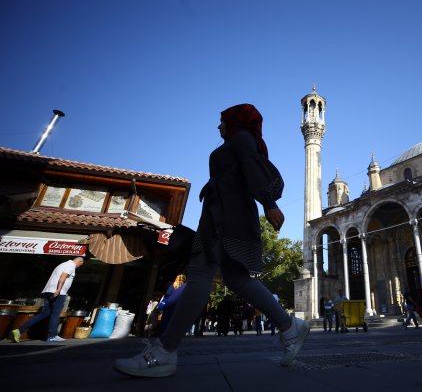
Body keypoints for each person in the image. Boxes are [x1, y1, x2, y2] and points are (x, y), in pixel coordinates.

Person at [114, 103, 310, 377]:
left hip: (224, 218)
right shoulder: (238, 141)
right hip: (224, 214)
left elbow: (251, 166)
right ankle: (289, 325)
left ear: (235, 121)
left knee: (199, 275)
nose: (219, 126)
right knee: (237, 279)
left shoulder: (241, 138)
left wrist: (268, 202)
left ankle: (165, 350)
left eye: (223, 120)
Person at [9, 256, 85, 343]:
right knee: (55, 314)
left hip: (48, 291)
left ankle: (19, 331)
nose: (78, 267)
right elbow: (63, 277)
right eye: (80, 265)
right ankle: (52, 336)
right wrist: (58, 290)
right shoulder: (71, 265)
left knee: (44, 313)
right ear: (79, 262)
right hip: (58, 293)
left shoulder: (62, 264)